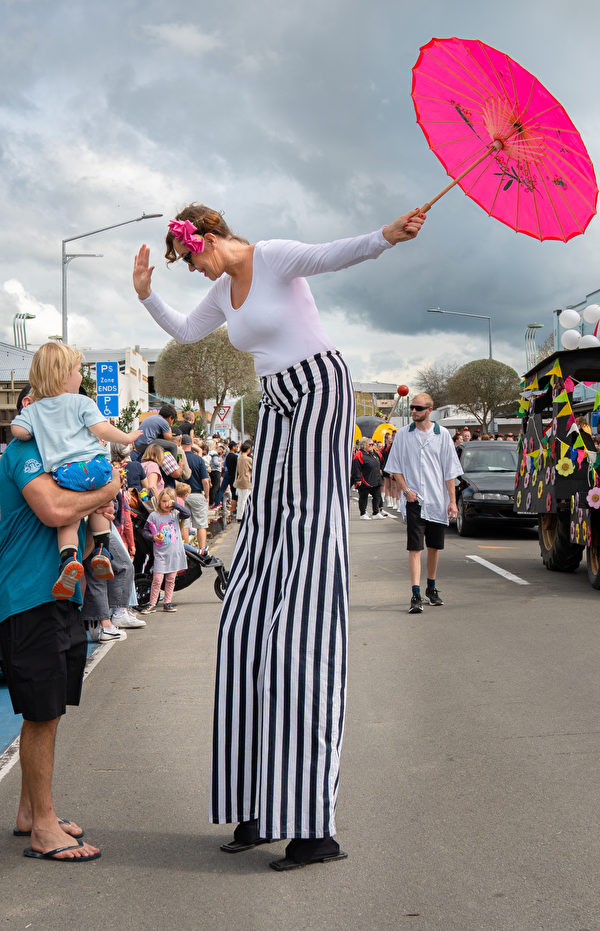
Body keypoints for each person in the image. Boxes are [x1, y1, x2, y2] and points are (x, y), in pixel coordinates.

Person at [133, 201, 426, 870]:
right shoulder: (218, 292)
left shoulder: (275, 256)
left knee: (302, 604)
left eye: (193, 255)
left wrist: (391, 235)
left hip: (321, 385)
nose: (195, 266)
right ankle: (259, 802)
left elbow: (337, 252)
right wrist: (148, 296)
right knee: (245, 622)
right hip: (278, 398)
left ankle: (312, 824)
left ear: (207, 236)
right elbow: (182, 330)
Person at [0, 385, 120, 861]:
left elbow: (73, 520)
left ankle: (32, 811)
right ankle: (43, 829)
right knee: (41, 711)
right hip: (29, 597)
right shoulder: (26, 449)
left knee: (48, 708)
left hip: (56, 594)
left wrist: (94, 504)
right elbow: (53, 510)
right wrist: (106, 490)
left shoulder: (58, 448)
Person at [10, 343, 141, 601]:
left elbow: (19, 431)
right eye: (78, 370)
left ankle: (68, 558)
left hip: (64, 472)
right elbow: (102, 430)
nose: (81, 376)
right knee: (100, 504)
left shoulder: (34, 410)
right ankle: (103, 549)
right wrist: (126, 437)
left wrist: (36, 429)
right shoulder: (81, 401)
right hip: (96, 467)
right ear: (64, 375)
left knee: (70, 518)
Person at [385, 393, 462, 614]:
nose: (414, 411)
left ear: (430, 409)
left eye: (418, 408)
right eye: (412, 408)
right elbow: (395, 467)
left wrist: (453, 502)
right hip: (415, 500)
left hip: (438, 500)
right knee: (415, 548)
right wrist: (407, 490)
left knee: (434, 547)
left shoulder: (443, 435)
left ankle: (431, 587)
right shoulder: (402, 435)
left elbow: (450, 471)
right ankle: (415, 593)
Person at [139, 488, 190, 615]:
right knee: (157, 579)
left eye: (169, 501)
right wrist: (153, 537)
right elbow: (145, 531)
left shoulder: (175, 515)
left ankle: (168, 601)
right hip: (161, 554)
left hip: (174, 553)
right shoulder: (154, 515)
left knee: (171, 579)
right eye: (164, 501)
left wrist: (175, 504)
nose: (167, 504)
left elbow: (187, 513)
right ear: (159, 502)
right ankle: (152, 603)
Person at [180, 434, 211, 552]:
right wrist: (207, 495)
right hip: (197, 493)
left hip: (181, 495)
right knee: (201, 524)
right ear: (191, 445)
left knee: (185, 523)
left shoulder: (179, 458)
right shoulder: (198, 459)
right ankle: (202, 549)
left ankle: (186, 549)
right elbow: (205, 480)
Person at [351, 437, 386, 519]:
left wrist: (381, 469)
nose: (372, 446)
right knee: (363, 497)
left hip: (376, 479)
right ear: (364, 445)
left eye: (373, 444)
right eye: (370, 444)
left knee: (377, 496)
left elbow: (382, 461)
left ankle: (376, 512)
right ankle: (363, 513)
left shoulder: (375, 453)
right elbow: (356, 468)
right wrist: (358, 479)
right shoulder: (359, 454)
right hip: (364, 480)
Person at [233, 440, 252, 520]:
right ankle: (243, 516)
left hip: (239, 481)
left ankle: (239, 516)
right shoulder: (249, 459)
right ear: (248, 449)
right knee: (245, 500)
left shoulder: (239, 458)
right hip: (246, 481)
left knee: (240, 500)